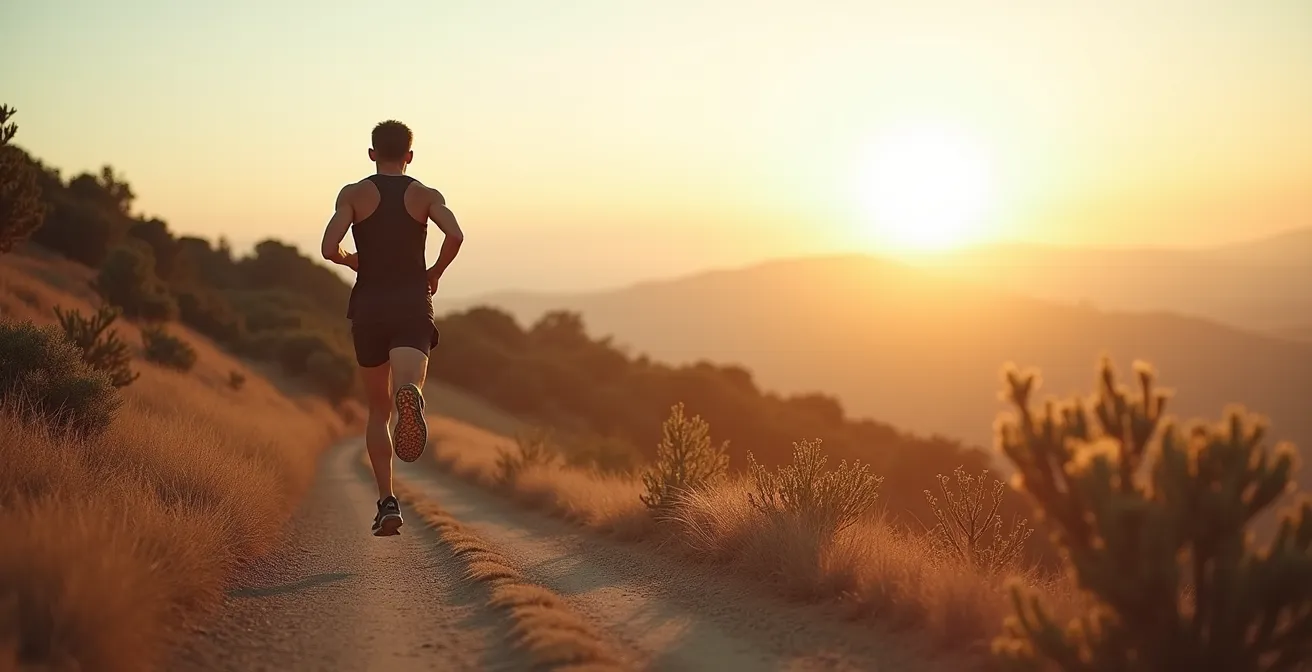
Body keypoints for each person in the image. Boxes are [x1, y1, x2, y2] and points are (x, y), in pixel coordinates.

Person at [320, 120, 464, 536]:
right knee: (407, 383)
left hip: (368, 308)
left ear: (371, 154)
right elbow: (454, 233)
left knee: (378, 411)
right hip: (411, 305)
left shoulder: (353, 195)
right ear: (410, 156)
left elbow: (330, 248)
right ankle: (412, 396)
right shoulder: (425, 195)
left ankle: (386, 501)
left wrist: (351, 259)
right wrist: (434, 271)